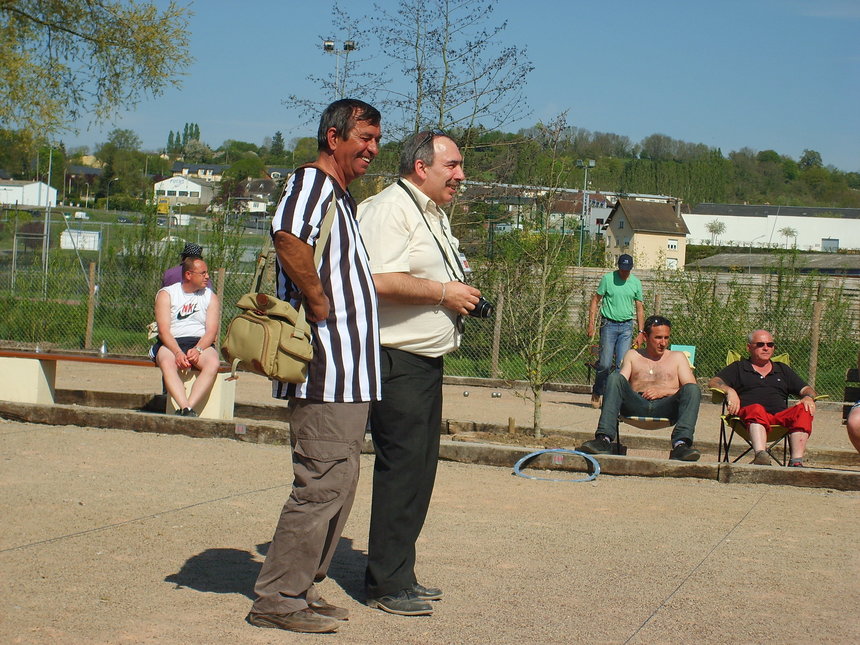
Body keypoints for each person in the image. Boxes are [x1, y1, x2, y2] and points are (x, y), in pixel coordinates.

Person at [246, 99, 382, 635]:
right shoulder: (312, 183)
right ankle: (277, 599)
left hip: (349, 374)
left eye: (376, 139)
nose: (372, 149)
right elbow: (287, 236)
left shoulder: (341, 196)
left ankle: (301, 589)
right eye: (364, 137)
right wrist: (318, 300)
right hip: (325, 368)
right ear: (333, 137)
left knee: (338, 484)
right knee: (321, 484)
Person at [357, 129, 481, 616]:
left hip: (426, 361)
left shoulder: (432, 213)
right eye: (452, 165)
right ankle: (385, 585)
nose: (461, 175)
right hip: (396, 359)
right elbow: (376, 280)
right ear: (420, 166)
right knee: (401, 470)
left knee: (419, 472)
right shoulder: (390, 208)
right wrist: (444, 293)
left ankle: (400, 573)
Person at [579, 315, 702, 461]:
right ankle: (603, 439)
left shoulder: (678, 357)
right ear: (645, 337)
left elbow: (690, 387)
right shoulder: (633, 355)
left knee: (693, 389)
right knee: (615, 378)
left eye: (666, 338)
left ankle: (681, 445)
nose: (663, 343)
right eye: (658, 338)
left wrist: (663, 391)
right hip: (636, 404)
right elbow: (619, 384)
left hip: (666, 406)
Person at [708, 329, 818, 467]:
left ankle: (796, 461)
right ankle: (761, 456)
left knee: (804, 409)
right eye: (760, 344)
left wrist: (808, 397)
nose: (766, 348)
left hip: (779, 420)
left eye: (770, 345)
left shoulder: (782, 369)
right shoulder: (739, 367)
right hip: (748, 418)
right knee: (756, 408)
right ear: (749, 347)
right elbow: (714, 382)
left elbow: (807, 389)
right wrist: (729, 390)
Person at [150, 257, 221, 417]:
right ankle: (185, 406)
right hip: (172, 342)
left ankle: (188, 407)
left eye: (207, 273)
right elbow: (163, 331)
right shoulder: (167, 294)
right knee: (166, 362)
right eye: (203, 273)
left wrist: (198, 349)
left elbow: (211, 331)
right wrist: (177, 352)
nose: (207, 276)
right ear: (188, 275)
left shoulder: (210, 296)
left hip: (199, 342)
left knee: (213, 362)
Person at [588, 253, 645, 408]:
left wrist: (641, 332)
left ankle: (613, 398)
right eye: (622, 268)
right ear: (618, 266)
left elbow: (639, 308)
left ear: (631, 268)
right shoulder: (608, 279)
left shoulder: (636, 283)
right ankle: (597, 391)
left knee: (622, 365)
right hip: (608, 325)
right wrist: (591, 324)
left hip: (626, 327)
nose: (624, 272)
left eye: (627, 269)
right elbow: (595, 300)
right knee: (605, 364)